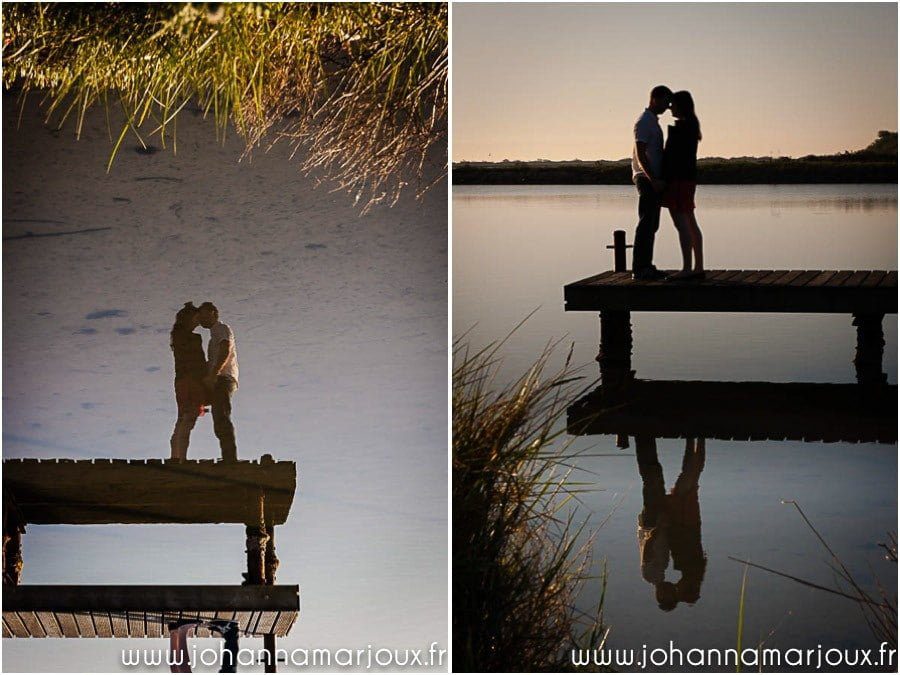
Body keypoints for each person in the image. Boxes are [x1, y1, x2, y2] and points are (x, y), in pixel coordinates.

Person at [635, 436, 707, 611]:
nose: (674, 590)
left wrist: (661, 524)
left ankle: (643, 436)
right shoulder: (664, 570)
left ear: (661, 595)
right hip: (665, 520)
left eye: (671, 594)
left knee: (652, 478)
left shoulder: (651, 576)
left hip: (653, 521)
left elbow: (648, 544)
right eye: (675, 593)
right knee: (658, 477)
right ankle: (647, 438)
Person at [631, 85, 672, 280]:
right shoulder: (644, 122)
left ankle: (646, 265)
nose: (668, 106)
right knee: (647, 222)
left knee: (652, 223)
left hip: (652, 179)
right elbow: (640, 153)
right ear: (655, 99)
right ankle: (640, 269)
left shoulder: (652, 122)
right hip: (646, 178)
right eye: (666, 101)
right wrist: (652, 179)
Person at [662, 90, 705, 279]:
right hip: (688, 179)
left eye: (673, 104)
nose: (670, 108)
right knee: (690, 221)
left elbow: (670, 157)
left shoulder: (681, 129)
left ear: (681, 106)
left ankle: (687, 268)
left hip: (678, 180)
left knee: (681, 223)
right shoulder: (692, 127)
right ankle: (698, 267)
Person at [198, 301, 239, 461]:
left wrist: (214, 374)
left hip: (224, 378)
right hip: (220, 378)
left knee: (221, 416)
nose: (201, 319)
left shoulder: (222, 328)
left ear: (213, 313)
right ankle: (228, 457)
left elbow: (225, 349)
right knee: (219, 417)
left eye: (203, 314)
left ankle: (230, 460)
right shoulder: (213, 336)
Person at [169, 302, 208, 460]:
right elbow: (199, 362)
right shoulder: (193, 338)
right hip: (193, 381)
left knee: (182, 418)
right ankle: (181, 459)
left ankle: (175, 456)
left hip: (181, 381)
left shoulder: (177, 337)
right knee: (189, 418)